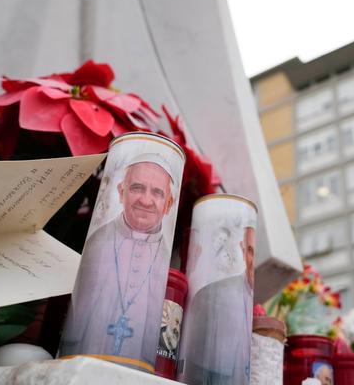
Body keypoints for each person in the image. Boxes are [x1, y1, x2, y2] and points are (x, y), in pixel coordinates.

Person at [59, 153, 176, 372]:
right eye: (137, 188)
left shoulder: (165, 256)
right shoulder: (98, 241)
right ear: (122, 192)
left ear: (169, 204)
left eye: (157, 192)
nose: (146, 200)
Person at [180, 223, 256, 385]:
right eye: (250, 251)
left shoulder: (255, 299)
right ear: (243, 250)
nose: (253, 262)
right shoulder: (210, 296)